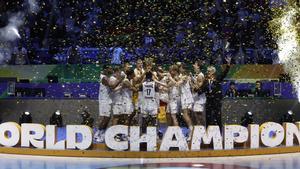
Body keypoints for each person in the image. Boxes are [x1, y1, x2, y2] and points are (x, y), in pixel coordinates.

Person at [199, 57, 231, 129]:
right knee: (208, 116)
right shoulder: (206, 81)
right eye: (207, 71)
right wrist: (194, 89)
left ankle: (220, 132)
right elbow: (201, 90)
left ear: (213, 72)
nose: (207, 73)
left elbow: (224, 73)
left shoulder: (218, 78)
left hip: (216, 100)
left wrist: (228, 65)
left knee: (217, 116)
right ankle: (208, 131)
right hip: (209, 100)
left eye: (209, 71)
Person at [94, 65, 124, 143]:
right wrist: (121, 79)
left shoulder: (107, 76)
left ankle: (102, 133)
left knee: (107, 118)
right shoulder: (103, 78)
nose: (111, 70)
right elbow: (112, 86)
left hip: (108, 100)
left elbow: (113, 87)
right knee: (105, 118)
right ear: (105, 69)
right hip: (104, 100)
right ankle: (98, 133)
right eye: (109, 68)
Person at [191, 60, 206, 126]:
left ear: (198, 67)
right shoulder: (196, 75)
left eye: (195, 64)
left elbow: (198, 88)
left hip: (199, 98)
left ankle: (201, 130)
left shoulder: (200, 76)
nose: (193, 65)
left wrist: (193, 81)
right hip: (195, 97)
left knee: (199, 115)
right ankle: (197, 130)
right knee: (195, 115)